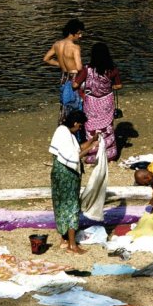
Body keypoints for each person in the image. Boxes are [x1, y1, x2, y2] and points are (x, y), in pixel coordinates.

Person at [50, 109, 99, 254]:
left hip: (59, 173)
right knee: (71, 206)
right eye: (80, 126)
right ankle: (72, 244)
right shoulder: (63, 133)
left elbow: (75, 149)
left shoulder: (65, 132)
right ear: (76, 123)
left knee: (61, 204)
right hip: (67, 175)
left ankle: (64, 239)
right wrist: (91, 147)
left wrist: (92, 140)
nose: (80, 128)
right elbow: (74, 156)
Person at [72, 42, 122, 163]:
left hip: (91, 103)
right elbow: (119, 85)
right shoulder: (112, 69)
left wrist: (83, 89)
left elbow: (75, 85)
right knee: (107, 127)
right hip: (106, 102)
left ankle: (93, 155)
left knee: (92, 128)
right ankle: (110, 154)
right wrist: (109, 87)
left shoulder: (87, 69)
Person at [43, 18, 85, 123]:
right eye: (79, 33)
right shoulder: (75, 47)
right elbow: (79, 67)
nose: (80, 36)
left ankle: (64, 125)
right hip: (74, 77)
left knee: (65, 103)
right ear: (72, 33)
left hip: (63, 77)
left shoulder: (57, 44)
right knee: (76, 104)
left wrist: (60, 64)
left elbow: (46, 59)